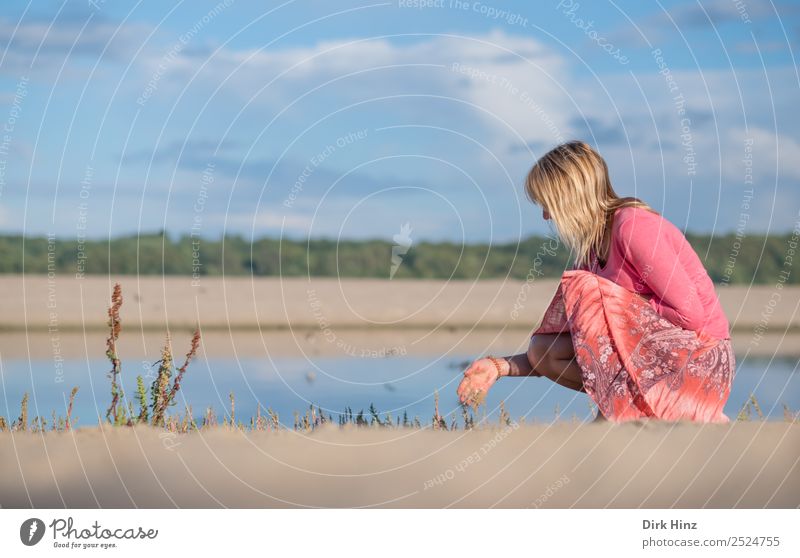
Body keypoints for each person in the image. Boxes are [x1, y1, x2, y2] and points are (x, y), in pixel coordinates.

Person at [457, 141, 735, 423]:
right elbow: (577, 345)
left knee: (589, 290)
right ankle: (631, 412)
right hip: (654, 359)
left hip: (702, 358)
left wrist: (619, 304)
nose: (545, 215)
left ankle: (663, 410)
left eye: (547, 203)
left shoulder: (633, 227)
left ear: (570, 196)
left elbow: (692, 316)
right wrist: (498, 367)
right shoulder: (591, 251)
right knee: (544, 349)